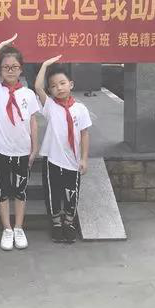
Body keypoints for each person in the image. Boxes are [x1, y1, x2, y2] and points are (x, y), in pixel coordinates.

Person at [0, 34, 40, 251]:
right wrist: (2, 44)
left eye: (14, 67)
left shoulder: (28, 94)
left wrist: (34, 147)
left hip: (22, 150)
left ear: (21, 69)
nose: (10, 70)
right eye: (6, 67)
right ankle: (7, 228)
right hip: (0, 149)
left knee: (20, 191)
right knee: (3, 191)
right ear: (0, 70)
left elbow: (33, 122)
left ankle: (18, 227)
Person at [34, 56, 92, 244]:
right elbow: (38, 87)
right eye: (53, 86)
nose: (59, 88)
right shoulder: (50, 106)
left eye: (62, 83)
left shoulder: (81, 109)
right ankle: (56, 223)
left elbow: (84, 134)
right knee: (52, 193)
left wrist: (84, 158)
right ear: (50, 90)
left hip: (73, 161)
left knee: (71, 193)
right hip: (52, 159)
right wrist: (44, 64)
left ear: (71, 84)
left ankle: (69, 222)